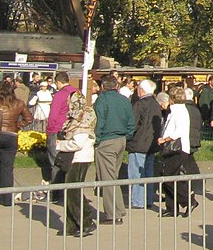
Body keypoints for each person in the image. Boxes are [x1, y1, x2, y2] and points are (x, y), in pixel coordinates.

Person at [92, 74, 135, 225]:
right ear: (116, 86)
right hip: (121, 140)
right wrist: (127, 136)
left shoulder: (101, 100)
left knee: (107, 179)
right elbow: (131, 121)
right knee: (113, 176)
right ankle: (118, 209)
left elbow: (99, 122)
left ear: (103, 87)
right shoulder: (124, 100)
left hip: (107, 141)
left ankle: (113, 214)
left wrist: (96, 141)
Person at [57, 90, 97, 236]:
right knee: (71, 192)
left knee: (74, 192)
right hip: (77, 157)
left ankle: (87, 221)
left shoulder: (82, 118)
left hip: (80, 157)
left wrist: (59, 145)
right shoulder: (76, 117)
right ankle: (72, 225)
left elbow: (77, 143)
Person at [156, 84, 199, 216]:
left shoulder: (179, 111)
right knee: (167, 175)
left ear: (172, 98)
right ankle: (171, 207)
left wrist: (165, 139)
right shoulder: (175, 110)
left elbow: (178, 131)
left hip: (178, 148)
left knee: (169, 177)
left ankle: (188, 200)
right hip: (172, 148)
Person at [128, 79, 161, 210]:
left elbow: (133, 124)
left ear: (141, 90)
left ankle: (137, 200)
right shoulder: (156, 104)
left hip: (139, 142)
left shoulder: (139, 104)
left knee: (136, 172)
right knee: (148, 172)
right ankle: (147, 199)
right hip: (151, 143)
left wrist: (128, 137)